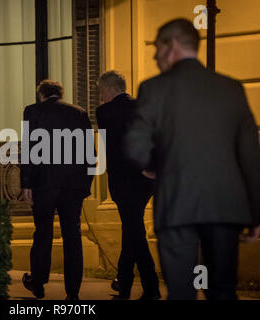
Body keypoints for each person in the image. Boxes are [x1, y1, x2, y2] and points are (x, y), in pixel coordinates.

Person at [123, 18, 260, 300]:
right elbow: (250, 155)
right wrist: (254, 214)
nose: (154, 56)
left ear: (172, 46)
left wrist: (156, 166)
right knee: (223, 290)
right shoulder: (231, 88)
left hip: (176, 204)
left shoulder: (153, 89)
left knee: (181, 292)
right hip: (225, 207)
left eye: (158, 47)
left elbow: (134, 148)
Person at [21, 80, 95, 300]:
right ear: (60, 94)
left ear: (41, 94)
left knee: (42, 232)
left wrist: (26, 182)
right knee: (72, 236)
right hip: (73, 185)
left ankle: (38, 282)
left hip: (44, 183)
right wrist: (85, 184)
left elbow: (30, 147)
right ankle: (73, 291)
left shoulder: (33, 111)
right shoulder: (79, 113)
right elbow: (89, 152)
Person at [96, 71, 160, 300]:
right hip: (146, 180)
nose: (100, 96)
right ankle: (123, 282)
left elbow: (113, 149)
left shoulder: (104, 112)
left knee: (135, 231)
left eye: (101, 91)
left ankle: (151, 287)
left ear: (110, 89)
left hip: (123, 181)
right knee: (132, 228)